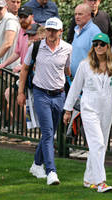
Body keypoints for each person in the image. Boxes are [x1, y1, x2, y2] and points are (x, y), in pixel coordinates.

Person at [63, 33, 112, 193]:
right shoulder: (85, 65)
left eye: (102, 44)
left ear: (107, 47)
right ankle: (101, 182)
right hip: (89, 107)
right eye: (96, 44)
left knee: (101, 145)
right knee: (97, 143)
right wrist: (68, 109)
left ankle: (88, 179)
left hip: (107, 108)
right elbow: (75, 88)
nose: (99, 47)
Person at [17, 17, 72, 185]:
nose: (51, 33)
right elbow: (25, 68)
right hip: (40, 94)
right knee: (48, 133)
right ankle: (51, 172)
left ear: (61, 32)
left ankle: (36, 164)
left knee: (50, 132)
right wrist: (20, 92)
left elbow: (67, 70)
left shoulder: (68, 48)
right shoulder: (35, 47)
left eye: (54, 30)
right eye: (49, 29)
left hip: (59, 95)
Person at [70, 3, 101, 77]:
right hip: (75, 79)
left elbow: (99, 58)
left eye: (80, 14)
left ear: (89, 15)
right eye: (75, 14)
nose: (77, 17)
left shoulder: (95, 32)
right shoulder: (77, 30)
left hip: (87, 80)